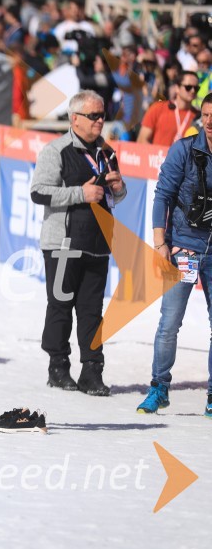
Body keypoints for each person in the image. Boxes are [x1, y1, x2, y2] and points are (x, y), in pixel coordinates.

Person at [30, 90, 127, 396]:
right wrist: (79, 194)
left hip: (98, 243)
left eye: (102, 115)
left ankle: (92, 371)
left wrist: (119, 188)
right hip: (63, 244)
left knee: (92, 312)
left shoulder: (107, 152)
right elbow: (38, 192)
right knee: (60, 306)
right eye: (93, 116)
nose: (100, 121)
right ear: (75, 118)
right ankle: (58, 367)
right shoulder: (56, 150)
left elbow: (116, 198)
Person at [137, 92, 212, 419]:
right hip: (184, 246)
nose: (210, 121)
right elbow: (162, 196)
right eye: (206, 115)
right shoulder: (184, 149)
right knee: (169, 323)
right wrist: (160, 241)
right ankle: (159, 388)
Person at [137, 72, 201, 146]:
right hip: (158, 156)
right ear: (177, 88)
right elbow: (141, 140)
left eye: (196, 88)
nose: (193, 91)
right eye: (188, 87)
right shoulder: (158, 108)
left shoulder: (199, 117)